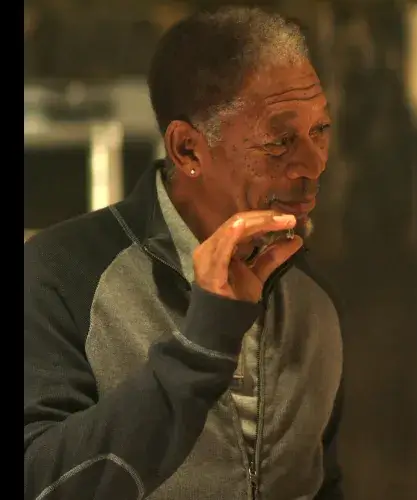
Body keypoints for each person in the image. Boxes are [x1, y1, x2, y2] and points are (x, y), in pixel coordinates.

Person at [24, 7, 344, 500]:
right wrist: (202, 346)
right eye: (281, 141)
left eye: (319, 130)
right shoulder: (61, 273)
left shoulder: (310, 297)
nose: (313, 164)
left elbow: (320, 484)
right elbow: (43, 485)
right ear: (187, 150)